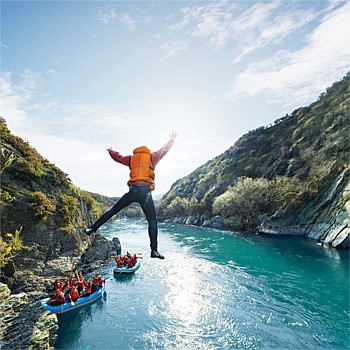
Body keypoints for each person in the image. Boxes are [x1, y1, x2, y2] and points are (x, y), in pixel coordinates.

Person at [84, 131, 178, 259]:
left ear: (137, 152)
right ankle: (154, 251)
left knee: (113, 210)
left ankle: (92, 229)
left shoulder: (131, 159)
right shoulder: (152, 157)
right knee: (152, 221)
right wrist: (172, 139)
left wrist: (111, 151)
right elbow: (164, 150)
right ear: (146, 151)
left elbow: (118, 157)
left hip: (132, 191)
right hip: (145, 193)